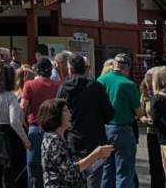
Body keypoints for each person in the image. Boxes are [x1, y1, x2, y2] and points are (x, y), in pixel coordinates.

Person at [57, 56, 113, 188]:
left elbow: (57, 112)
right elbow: (109, 113)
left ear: (70, 69)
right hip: (95, 139)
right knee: (94, 179)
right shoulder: (96, 87)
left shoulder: (64, 88)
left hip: (72, 139)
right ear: (86, 68)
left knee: (74, 177)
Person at [38, 98, 115, 188]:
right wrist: (96, 154)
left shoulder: (59, 138)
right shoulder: (53, 141)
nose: (70, 115)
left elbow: (79, 171)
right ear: (55, 115)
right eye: (66, 111)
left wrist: (99, 159)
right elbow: (70, 172)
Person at [96, 54, 140, 188]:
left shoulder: (100, 80)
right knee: (124, 172)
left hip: (104, 129)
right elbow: (138, 111)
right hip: (123, 129)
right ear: (127, 68)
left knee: (107, 170)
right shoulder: (128, 84)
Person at [22, 57, 61, 188]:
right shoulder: (57, 86)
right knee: (51, 167)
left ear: (36, 70)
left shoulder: (29, 84)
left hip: (35, 128)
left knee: (34, 168)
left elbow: (23, 106)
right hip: (53, 130)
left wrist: (23, 123)